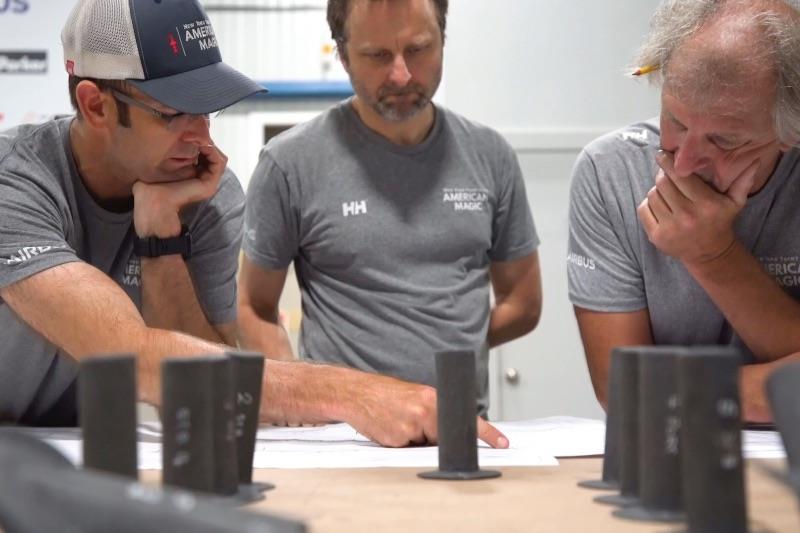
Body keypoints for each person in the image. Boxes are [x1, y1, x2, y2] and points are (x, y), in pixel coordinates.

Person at [0, 0, 508, 449]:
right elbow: (125, 351)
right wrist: (355, 392)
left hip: (56, 453)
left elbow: (200, 394)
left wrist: (161, 241)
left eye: (208, 109)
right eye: (175, 113)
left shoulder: (209, 192)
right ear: (96, 106)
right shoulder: (15, 182)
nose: (202, 137)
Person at [238, 0, 542, 415]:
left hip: (460, 431)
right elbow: (253, 306)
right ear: (343, 56)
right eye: (377, 55)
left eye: (418, 49)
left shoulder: (491, 156)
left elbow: (524, 303)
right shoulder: (290, 164)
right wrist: (302, 394)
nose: (401, 75)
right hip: (340, 438)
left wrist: (450, 338)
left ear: (443, 40)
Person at [567, 0, 800, 422]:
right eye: (675, 120)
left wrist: (712, 255)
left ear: (790, 134)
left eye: (724, 141)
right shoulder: (609, 172)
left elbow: (646, 387)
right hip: (669, 455)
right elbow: (622, 388)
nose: (685, 162)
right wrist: (768, 388)